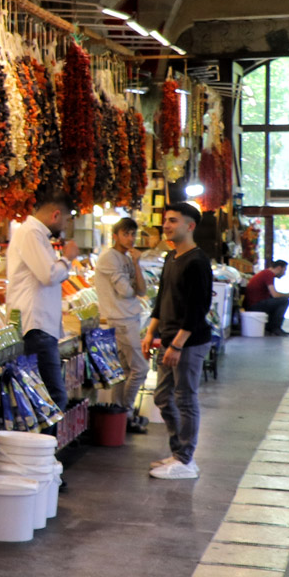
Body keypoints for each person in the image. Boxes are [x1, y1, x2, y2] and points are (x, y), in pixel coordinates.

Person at [144, 202, 213, 480]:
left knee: (185, 399)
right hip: (168, 340)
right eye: (166, 221)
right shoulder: (172, 258)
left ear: (190, 226)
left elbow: (198, 308)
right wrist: (151, 331)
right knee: (162, 396)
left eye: (173, 221)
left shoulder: (197, 261)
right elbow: (162, 300)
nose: (167, 225)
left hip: (189, 342)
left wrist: (177, 345)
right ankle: (177, 452)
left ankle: (186, 459)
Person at [6, 189, 77, 406]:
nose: (65, 226)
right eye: (66, 220)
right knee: (52, 399)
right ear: (55, 215)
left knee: (47, 398)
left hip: (43, 327)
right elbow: (48, 275)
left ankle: (45, 440)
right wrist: (67, 258)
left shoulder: (37, 235)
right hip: (36, 327)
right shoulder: (30, 234)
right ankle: (45, 441)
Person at [92, 217, 150, 434]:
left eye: (133, 234)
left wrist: (136, 264)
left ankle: (120, 415)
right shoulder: (110, 259)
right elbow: (126, 291)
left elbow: (142, 290)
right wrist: (134, 266)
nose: (130, 238)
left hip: (129, 318)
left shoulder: (126, 258)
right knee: (141, 369)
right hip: (122, 320)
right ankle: (125, 411)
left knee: (124, 371)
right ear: (115, 235)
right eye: (126, 234)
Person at [240, 259, 289, 336]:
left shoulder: (265, 273)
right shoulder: (268, 274)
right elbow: (275, 294)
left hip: (253, 303)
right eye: (284, 270)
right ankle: (275, 328)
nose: (284, 273)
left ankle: (270, 327)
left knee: (275, 301)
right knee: (284, 301)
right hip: (254, 305)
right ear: (279, 268)